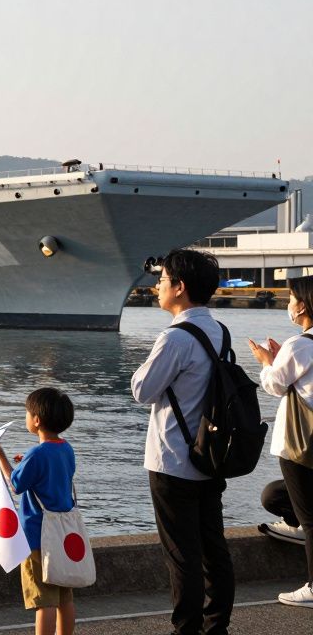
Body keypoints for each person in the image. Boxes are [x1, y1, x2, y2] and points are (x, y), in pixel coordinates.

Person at [130, 248, 234, 634]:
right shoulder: (219, 331)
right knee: (213, 549)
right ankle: (215, 626)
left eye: (163, 281)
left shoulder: (174, 338)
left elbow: (142, 389)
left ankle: (185, 628)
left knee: (182, 555)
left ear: (180, 287)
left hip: (173, 458)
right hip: (210, 456)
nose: (157, 287)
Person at [0, 388, 78, 635]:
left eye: (27, 413)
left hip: (38, 536)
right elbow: (52, 474)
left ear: (36, 420)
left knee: (43, 599)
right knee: (64, 596)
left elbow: (15, 484)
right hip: (63, 534)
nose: (26, 416)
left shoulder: (37, 454)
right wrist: (26, 462)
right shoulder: (66, 448)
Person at [247, 271, 313, 607]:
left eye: (291, 299)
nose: (288, 305)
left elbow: (274, 385)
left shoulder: (300, 344)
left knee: (311, 515)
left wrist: (265, 362)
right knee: (277, 495)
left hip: (299, 445)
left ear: (302, 307)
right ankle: (297, 523)